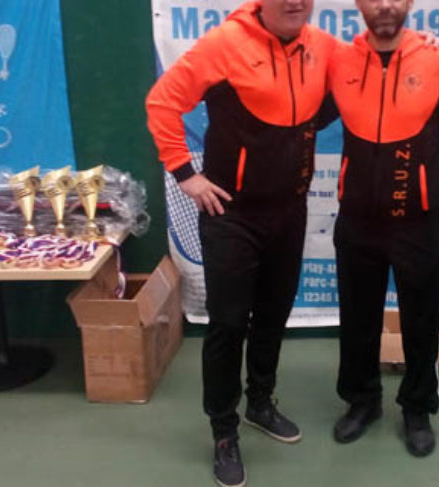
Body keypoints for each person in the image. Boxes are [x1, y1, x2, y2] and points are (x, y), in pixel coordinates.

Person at [145, 1, 334, 485]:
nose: (295, 2)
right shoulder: (224, 44)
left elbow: (354, 86)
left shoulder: (322, 47)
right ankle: (223, 431)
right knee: (229, 324)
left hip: (289, 211)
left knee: (272, 315)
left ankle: (260, 403)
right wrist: (185, 174)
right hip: (231, 214)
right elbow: (162, 102)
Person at [325, 0, 439, 458]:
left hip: (416, 219)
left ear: (410, 2)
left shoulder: (438, 61)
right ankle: (362, 400)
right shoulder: (339, 61)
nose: (385, 6)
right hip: (357, 217)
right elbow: (295, 112)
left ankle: (417, 409)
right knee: (358, 317)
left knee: (421, 319)